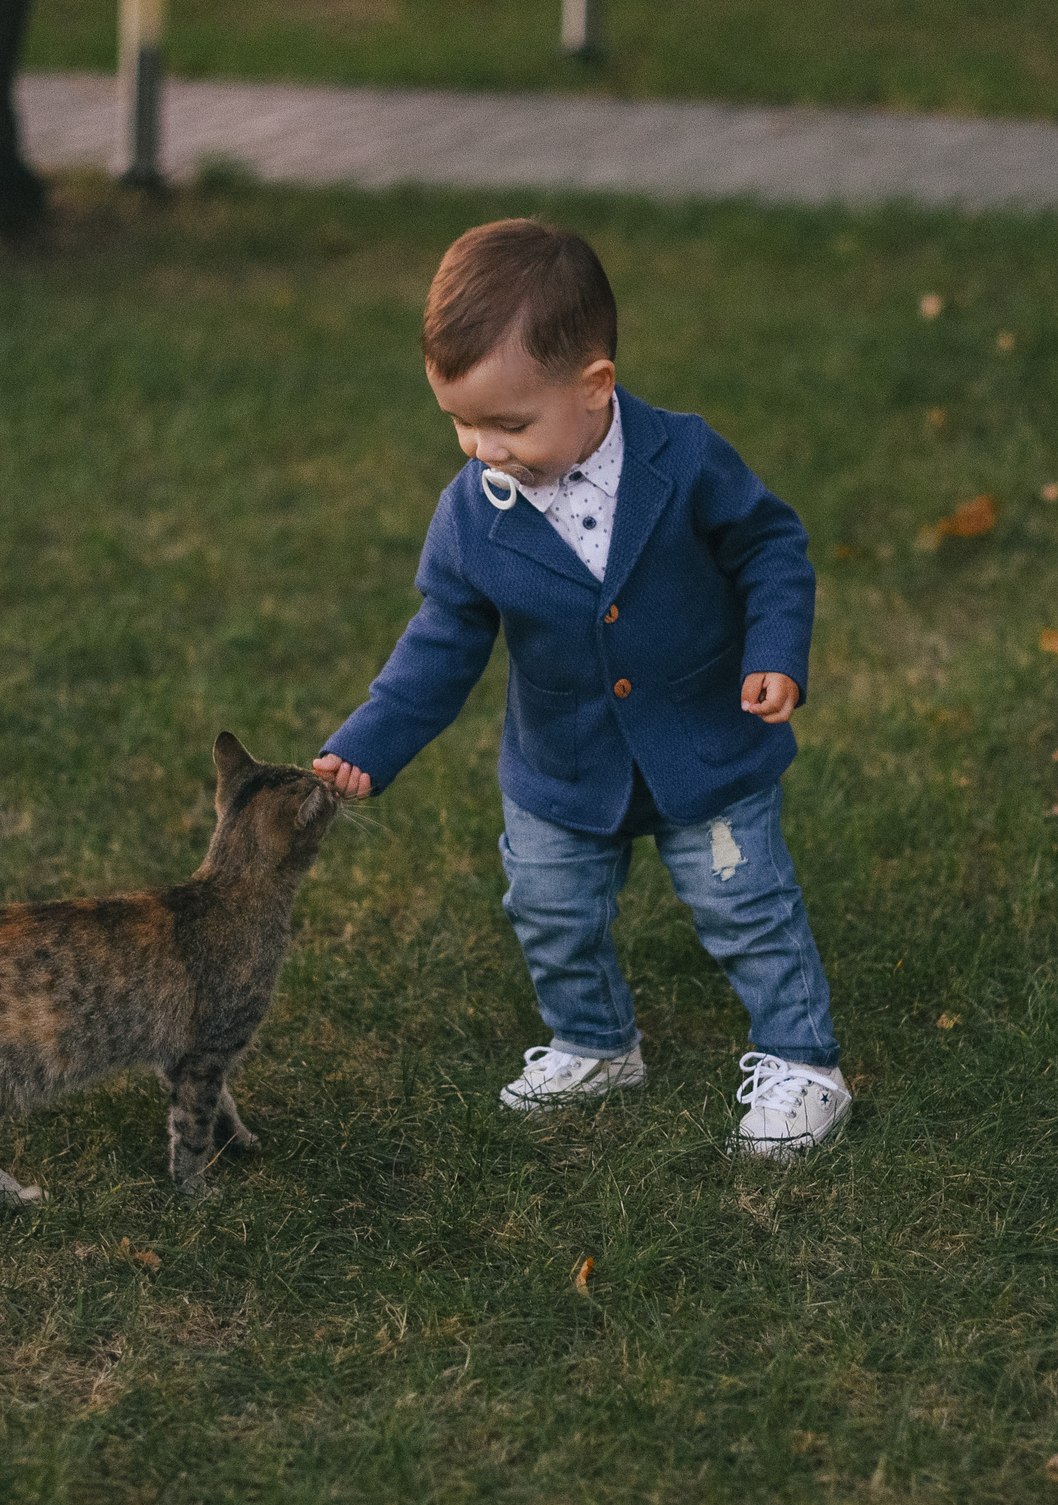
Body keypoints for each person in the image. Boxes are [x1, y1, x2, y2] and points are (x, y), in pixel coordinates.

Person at [313, 218, 849, 1156]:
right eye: (460, 422)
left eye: (508, 424)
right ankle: (595, 1042)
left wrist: (776, 649)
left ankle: (803, 1061)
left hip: (703, 743)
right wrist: (368, 741)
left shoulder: (682, 461)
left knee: (745, 902)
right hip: (562, 764)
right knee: (550, 907)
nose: (481, 448)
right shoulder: (473, 515)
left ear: (594, 385)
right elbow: (443, 637)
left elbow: (770, 546)